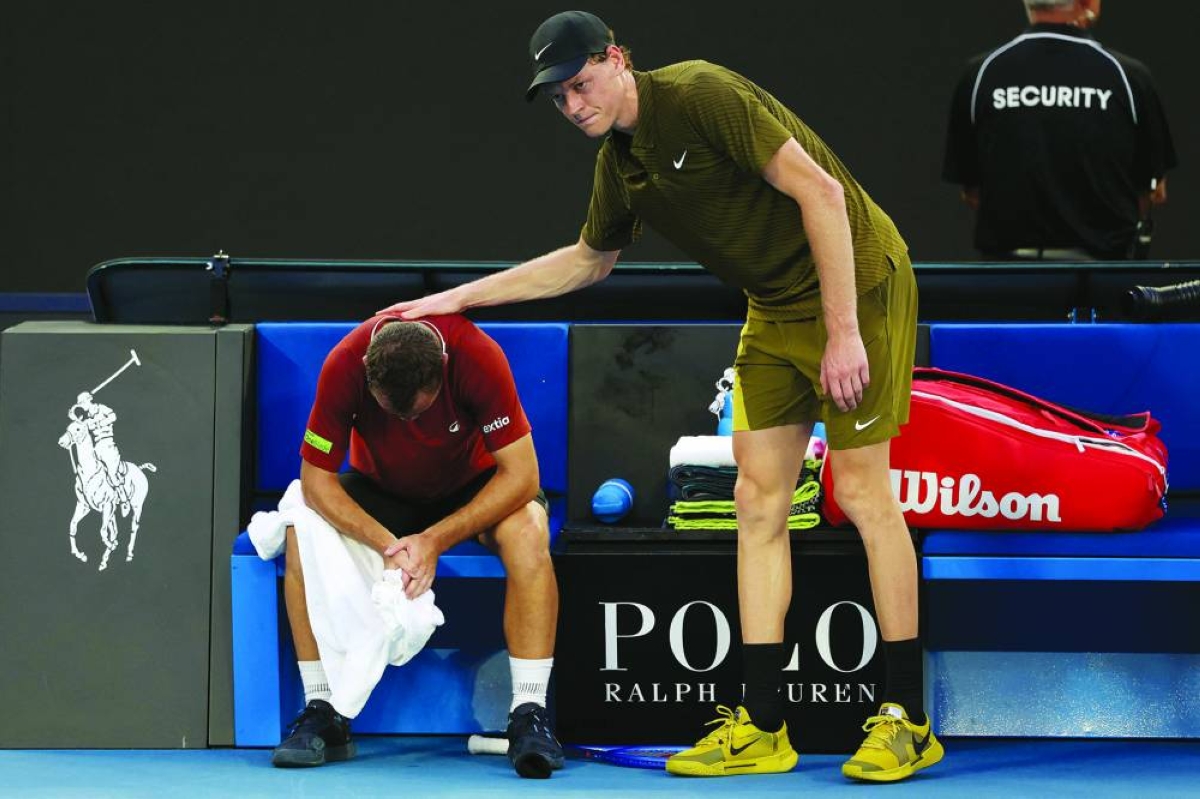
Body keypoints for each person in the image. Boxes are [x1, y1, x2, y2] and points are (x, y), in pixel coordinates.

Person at [383, 10, 939, 783]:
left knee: (861, 490)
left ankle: (906, 717)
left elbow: (822, 195)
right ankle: (764, 724)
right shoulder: (621, 165)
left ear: (617, 59)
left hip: (861, 282)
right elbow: (587, 260)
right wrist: (455, 300)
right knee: (755, 499)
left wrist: (843, 330)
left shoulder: (701, 94)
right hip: (776, 306)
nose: (574, 105)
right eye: (560, 97)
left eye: (582, 84)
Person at [272, 314, 564, 779]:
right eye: (394, 414)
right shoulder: (344, 363)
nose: (407, 423)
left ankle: (529, 713)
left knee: (529, 529)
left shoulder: (476, 355)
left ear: (443, 366)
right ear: (368, 367)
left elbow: (523, 475)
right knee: (299, 529)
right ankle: (323, 709)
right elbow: (316, 482)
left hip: (474, 486)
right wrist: (391, 546)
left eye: (418, 413)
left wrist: (433, 540)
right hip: (384, 492)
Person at [943, 0, 1177, 261]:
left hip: (1005, 281)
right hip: (1103, 279)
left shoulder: (980, 75)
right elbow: (1153, 190)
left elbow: (972, 191)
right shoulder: (1129, 77)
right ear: (1089, 3)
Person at [75, 391, 130, 514]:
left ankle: (124, 498)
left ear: (88, 400)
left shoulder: (101, 408)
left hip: (108, 444)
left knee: (111, 473)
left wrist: (99, 423)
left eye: (82, 403)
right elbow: (78, 426)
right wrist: (72, 414)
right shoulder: (87, 418)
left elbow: (113, 416)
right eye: (80, 404)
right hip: (96, 447)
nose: (81, 405)